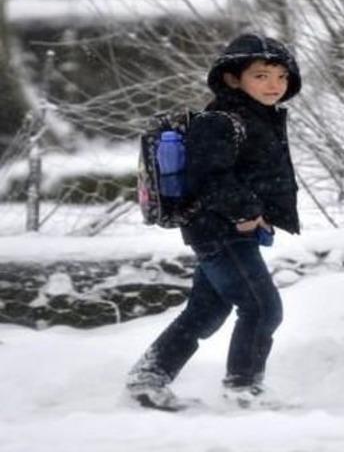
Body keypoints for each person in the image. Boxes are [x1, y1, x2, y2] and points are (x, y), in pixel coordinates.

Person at [126, 33, 302, 410]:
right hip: (221, 231)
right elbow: (209, 178)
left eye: (281, 76)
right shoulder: (220, 121)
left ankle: (148, 377)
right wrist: (247, 212)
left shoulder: (258, 118)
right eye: (261, 76)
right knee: (262, 308)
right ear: (232, 79)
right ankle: (244, 387)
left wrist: (260, 214)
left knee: (206, 311)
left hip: (230, 230)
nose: (274, 85)